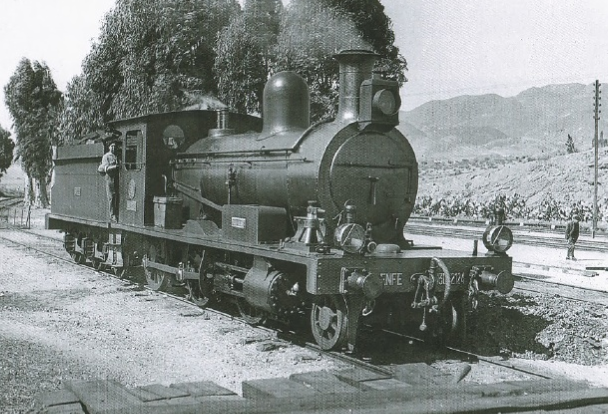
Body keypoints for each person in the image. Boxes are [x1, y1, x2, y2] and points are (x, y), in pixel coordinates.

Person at [100, 141, 119, 221]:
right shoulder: (106, 156)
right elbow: (106, 168)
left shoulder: (116, 156)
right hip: (109, 178)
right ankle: (112, 215)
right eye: (112, 146)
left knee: (116, 196)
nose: (113, 148)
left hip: (116, 178)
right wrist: (115, 166)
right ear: (109, 147)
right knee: (111, 197)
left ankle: (116, 213)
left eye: (115, 146)